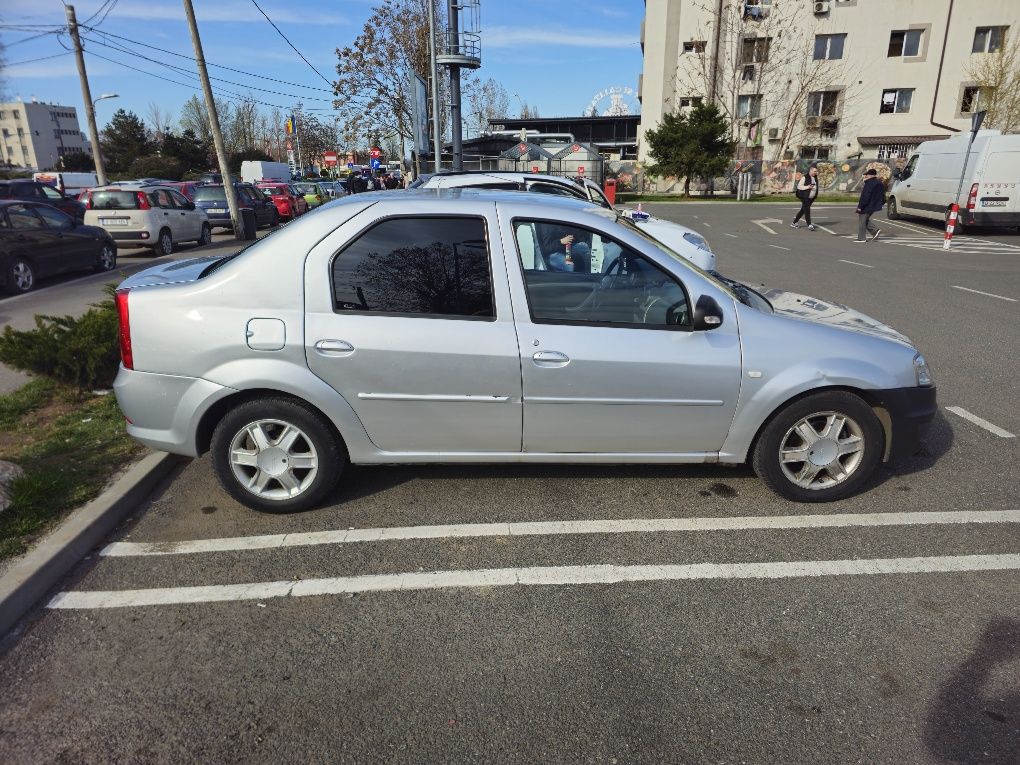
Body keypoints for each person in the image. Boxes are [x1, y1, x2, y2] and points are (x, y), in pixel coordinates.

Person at [856, 168, 885, 243]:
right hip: (875, 205)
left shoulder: (869, 183)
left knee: (862, 220)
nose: (866, 176)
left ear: (870, 175)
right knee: (865, 219)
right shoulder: (880, 183)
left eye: (867, 175)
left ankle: (862, 238)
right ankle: (875, 231)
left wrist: (860, 206)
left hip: (867, 205)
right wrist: (881, 203)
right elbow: (883, 195)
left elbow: (865, 196)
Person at [790, 165, 819, 230]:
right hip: (804, 196)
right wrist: (808, 187)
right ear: (810, 170)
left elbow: (816, 186)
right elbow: (799, 186)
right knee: (807, 210)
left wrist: (815, 194)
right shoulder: (805, 177)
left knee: (803, 210)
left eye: (816, 171)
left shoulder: (815, 177)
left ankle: (794, 223)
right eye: (814, 171)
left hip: (811, 198)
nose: (815, 172)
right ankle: (809, 225)